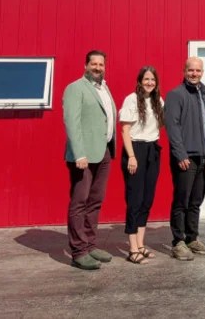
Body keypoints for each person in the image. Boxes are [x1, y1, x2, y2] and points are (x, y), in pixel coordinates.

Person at [63, 50, 116, 270]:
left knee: (95, 200)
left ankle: (91, 244)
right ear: (86, 65)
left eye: (101, 64)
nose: (97, 67)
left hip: (103, 151)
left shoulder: (104, 87)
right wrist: (79, 154)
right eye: (93, 64)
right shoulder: (76, 88)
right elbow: (72, 122)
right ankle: (79, 251)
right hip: (83, 155)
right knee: (80, 202)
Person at [164, 57, 205, 260]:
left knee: (196, 200)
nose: (194, 73)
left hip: (204, 155)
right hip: (186, 157)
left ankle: (192, 238)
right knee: (181, 201)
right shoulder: (176, 95)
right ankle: (178, 242)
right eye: (191, 70)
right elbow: (172, 126)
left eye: (198, 70)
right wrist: (180, 153)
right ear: (184, 71)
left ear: (202, 72)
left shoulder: (204, 92)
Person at [119, 66, 164, 265]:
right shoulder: (131, 99)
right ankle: (132, 249)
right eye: (146, 79)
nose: (149, 83)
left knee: (147, 199)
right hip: (135, 150)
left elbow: (159, 126)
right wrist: (131, 156)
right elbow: (125, 130)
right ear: (140, 80)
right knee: (134, 200)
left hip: (152, 150)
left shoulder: (158, 101)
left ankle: (141, 244)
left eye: (152, 80)